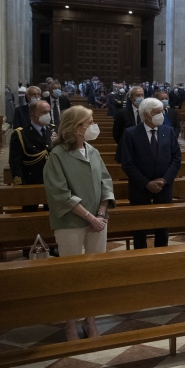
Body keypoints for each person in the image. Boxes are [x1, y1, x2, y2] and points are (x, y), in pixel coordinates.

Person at [43, 106, 114, 341]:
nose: (94, 126)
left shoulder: (93, 151)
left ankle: (90, 319)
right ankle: (70, 321)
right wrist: (90, 217)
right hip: (70, 220)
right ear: (76, 127)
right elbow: (59, 193)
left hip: (98, 220)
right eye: (89, 122)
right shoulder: (58, 155)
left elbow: (106, 182)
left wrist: (100, 214)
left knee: (94, 273)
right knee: (71, 274)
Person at [119, 98, 182, 249]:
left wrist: (165, 179)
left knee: (163, 226)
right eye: (157, 112)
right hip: (140, 188)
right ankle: (140, 256)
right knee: (140, 227)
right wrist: (146, 183)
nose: (161, 115)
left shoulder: (168, 131)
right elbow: (127, 163)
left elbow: (176, 158)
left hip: (164, 187)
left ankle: (161, 254)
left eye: (162, 111)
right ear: (147, 114)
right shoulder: (131, 133)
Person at [10, 100, 53, 212]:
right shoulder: (21, 133)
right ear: (33, 114)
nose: (47, 115)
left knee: (51, 212)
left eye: (49, 112)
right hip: (32, 179)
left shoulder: (54, 129)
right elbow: (15, 162)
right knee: (29, 212)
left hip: (52, 180)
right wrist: (20, 184)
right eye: (44, 112)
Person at [113, 86, 144, 163]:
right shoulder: (122, 113)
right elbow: (117, 134)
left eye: (142, 95)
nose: (140, 97)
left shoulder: (147, 112)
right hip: (127, 150)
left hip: (143, 149)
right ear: (131, 97)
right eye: (137, 95)